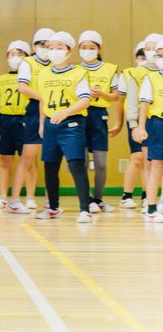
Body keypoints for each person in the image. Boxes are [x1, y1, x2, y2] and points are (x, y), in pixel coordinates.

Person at [35, 31, 94, 223]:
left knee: (76, 164)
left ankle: (85, 209)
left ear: (69, 51)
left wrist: (66, 112)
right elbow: (43, 100)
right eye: (50, 48)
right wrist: (42, 123)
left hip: (72, 123)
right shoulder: (43, 74)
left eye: (59, 48)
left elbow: (85, 100)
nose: (54, 51)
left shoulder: (78, 73)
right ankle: (53, 207)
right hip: (51, 124)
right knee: (50, 166)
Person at [6, 28, 54, 214]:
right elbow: (22, 87)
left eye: (48, 44)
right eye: (40, 44)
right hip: (35, 110)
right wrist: (43, 97)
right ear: (34, 46)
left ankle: (52, 201)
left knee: (52, 158)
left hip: (55, 110)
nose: (44, 47)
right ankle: (15, 200)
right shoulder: (28, 62)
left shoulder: (57, 64)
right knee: (27, 156)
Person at [117, 34, 162, 209]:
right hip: (149, 123)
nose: (151, 53)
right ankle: (147, 199)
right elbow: (134, 103)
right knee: (146, 161)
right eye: (148, 49)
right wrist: (135, 125)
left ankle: (151, 197)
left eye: (154, 49)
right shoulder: (138, 74)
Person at [77, 30, 118, 213]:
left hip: (99, 116)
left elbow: (116, 96)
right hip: (80, 115)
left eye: (91, 47)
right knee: (83, 162)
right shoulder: (75, 70)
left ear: (99, 48)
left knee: (101, 164)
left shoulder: (110, 69)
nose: (87, 51)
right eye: (84, 47)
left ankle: (98, 198)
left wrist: (101, 93)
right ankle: (86, 200)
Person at [0, 41, 31, 209]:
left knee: (28, 160)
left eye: (20, 54)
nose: (16, 58)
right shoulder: (1, 79)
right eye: (12, 54)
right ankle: (2, 196)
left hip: (24, 120)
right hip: (6, 121)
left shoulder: (31, 78)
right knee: (5, 161)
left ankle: (29, 196)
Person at [134, 40, 163, 222]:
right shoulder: (151, 78)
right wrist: (141, 127)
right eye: (159, 55)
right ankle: (151, 207)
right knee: (156, 166)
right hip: (158, 124)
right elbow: (144, 105)